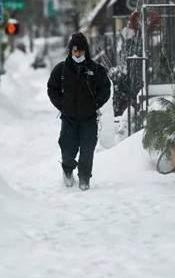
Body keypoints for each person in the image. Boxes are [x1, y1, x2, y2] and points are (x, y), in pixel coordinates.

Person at [47, 32, 111, 191]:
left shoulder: (95, 69)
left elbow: (105, 89)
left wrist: (95, 104)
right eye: (75, 50)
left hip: (89, 118)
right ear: (70, 50)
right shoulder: (61, 70)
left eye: (81, 51)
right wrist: (62, 105)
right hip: (69, 118)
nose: (78, 54)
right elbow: (52, 89)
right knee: (68, 148)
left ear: (85, 51)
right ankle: (67, 171)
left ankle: (84, 177)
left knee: (87, 149)